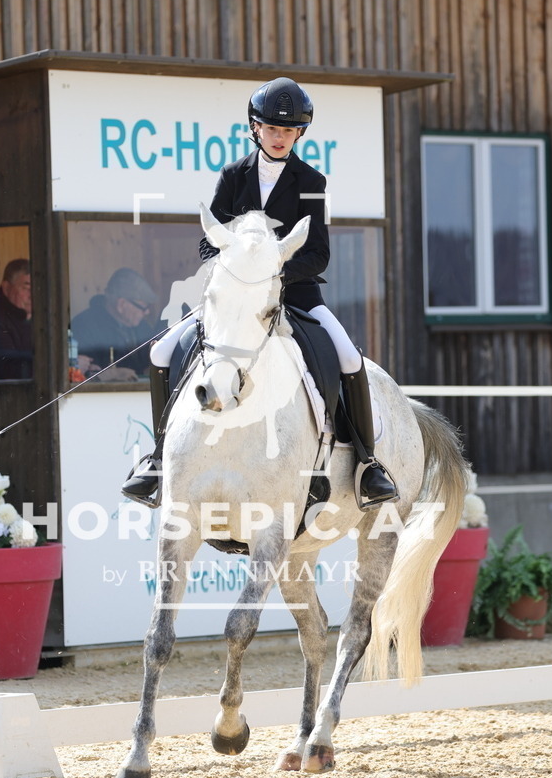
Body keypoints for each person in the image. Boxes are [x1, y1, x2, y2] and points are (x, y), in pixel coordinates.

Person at [122, 77, 397, 506]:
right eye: (271, 128)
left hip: (296, 294)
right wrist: (238, 272)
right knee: (161, 353)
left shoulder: (311, 180)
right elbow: (208, 242)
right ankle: (158, 459)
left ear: (299, 133)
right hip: (236, 299)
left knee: (348, 357)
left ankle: (366, 464)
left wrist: (273, 275)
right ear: (255, 127)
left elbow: (318, 254)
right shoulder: (233, 175)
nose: (279, 137)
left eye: (288, 130)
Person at [71, 267, 156, 383]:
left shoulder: (143, 327)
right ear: (121, 304)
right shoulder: (83, 327)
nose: (147, 312)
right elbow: (81, 376)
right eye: (143, 307)